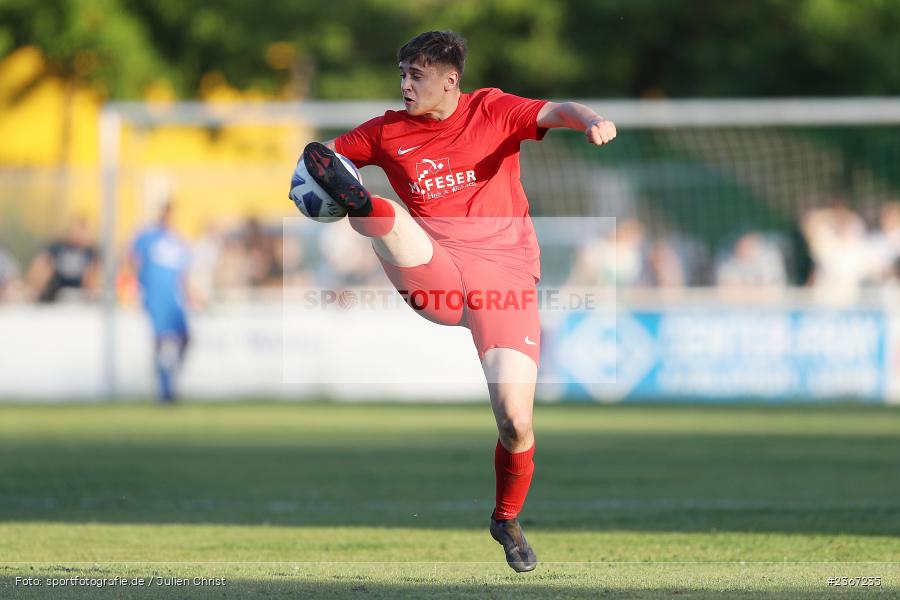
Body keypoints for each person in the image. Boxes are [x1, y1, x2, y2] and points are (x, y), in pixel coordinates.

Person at [290, 31, 616, 572]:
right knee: (386, 214)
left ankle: (505, 518)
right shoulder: (386, 131)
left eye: (416, 76)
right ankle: (362, 208)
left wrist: (589, 121)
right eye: (402, 75)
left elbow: (557, 109)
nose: (404, 86)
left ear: (450, 80)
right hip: (436, 272)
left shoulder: (492, 109)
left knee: (515, 421)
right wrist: (313, 184)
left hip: (505, 280)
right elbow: (322, 161)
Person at [130, 203, 191, 403]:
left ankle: (169, 379)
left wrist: (192, 295)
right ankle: (164, 389)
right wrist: (136, 285)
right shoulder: (147, 238)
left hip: (174, 299)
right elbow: (132, 261)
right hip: (155, 297)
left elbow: (183, 275)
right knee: (161, 341)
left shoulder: (178, 242)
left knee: (185, 339)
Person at [27, 218, 99, 302]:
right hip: (55, 290)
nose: (81, 235)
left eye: (84, 232)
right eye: (78, 230)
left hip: (80, 293)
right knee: (44, 264)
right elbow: (40, 266)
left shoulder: (90, 253)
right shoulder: (57, 248)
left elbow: (93, 276)